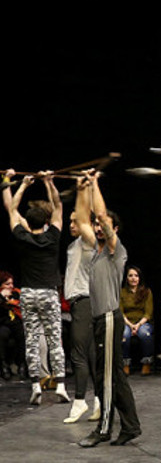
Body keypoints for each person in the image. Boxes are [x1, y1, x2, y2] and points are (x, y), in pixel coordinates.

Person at [73, 170, 141, 448]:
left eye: (104, 226)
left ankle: (103, 430)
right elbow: (81, 220)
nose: (99, 229)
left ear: (113, 229)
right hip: (100, 319)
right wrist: (81, 190)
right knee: (113, 377)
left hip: (111, 318)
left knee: (107, 379)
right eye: (98, 227)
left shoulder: (116, 250)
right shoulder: (97, 249)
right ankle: (131, 426)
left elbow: (99, 216)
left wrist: (96, 184)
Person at [2, 169, 69, 405]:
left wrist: (19, 184)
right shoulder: (53, 237)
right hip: (49, 293)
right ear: (46, 221)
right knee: (54, 339)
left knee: (31, 340)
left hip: (29, 293)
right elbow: (58, 206)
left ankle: (35, 385)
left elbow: (11, 209)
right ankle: (60, 384)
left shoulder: (22, 236)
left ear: (28, 221)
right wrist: (49, 182)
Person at [63, 204, 100, 423]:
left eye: (75, 221)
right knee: (91, 353)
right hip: (81, 302)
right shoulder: (74, 245)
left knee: (78, 354)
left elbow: (85, 216)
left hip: (84, 301)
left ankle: (79, 401)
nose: (71, 225)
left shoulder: (88, 243)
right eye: (69, 221)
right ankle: (99, 401)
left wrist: (83, 189)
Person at [120, 266, 154, 376]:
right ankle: (125, 364)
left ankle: (147, 363)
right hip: (127, 322)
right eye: (130, 276)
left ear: (140, 278)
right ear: (126, 278)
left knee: (145, 334)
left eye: (136, 276)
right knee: (124, 334)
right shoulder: (121, 292)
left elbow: (148, 313)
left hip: (142, 322)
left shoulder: (146, 292)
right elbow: (121, 312)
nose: (133, 278)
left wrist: (138, 325)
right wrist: (131, 326)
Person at [0, 271, 25, 380]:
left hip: (16, 323)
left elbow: (22, 307)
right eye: (7, 284)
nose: (11, 286)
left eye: (12, 283)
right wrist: (1, 297)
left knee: (23, 332)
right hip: (3, 323)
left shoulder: (16, 293)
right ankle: (3, 366)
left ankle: (22, 365)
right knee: (2, 334)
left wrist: (11, 301)